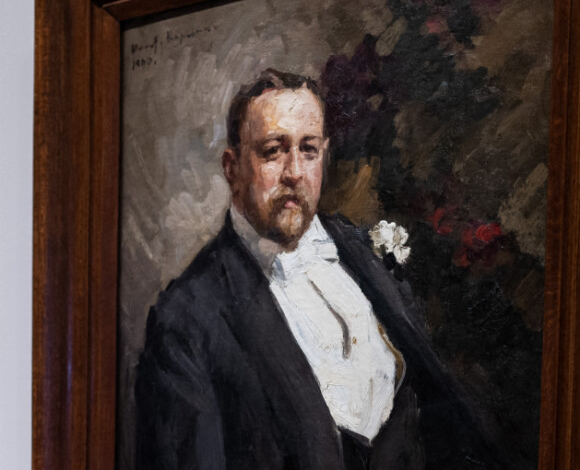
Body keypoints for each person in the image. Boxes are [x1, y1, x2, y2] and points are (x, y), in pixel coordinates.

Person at [135, 70, 501, 469]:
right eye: (273, 151)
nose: (294, 172)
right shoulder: (185, 319)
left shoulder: (362, 253)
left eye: (308, 149)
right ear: (232, 168)